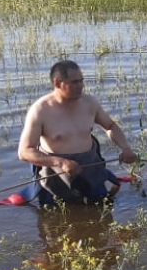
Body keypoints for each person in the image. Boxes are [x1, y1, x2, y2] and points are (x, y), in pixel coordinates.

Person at [18, 60, 138, 206]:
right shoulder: (40, 110)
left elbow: (110, 126)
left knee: (101, 210)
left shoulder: (90, 103)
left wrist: (125, 147)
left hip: (91, 168)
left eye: (81, 81)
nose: (80, 86)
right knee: (54, 218)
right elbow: (25, 152)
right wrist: (60, 162)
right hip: (56, 174)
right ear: (57, 83)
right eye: (74, 82)